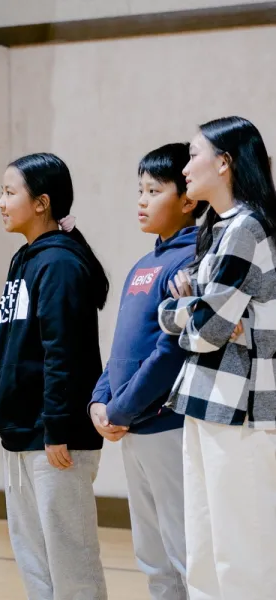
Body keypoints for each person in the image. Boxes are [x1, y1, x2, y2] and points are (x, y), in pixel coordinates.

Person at [158, 116, 276, 600]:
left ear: (224, 163)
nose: (185, 167)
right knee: (204, 550)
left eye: (193, 155)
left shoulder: (248, 228)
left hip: (241, 409)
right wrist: (194, 309)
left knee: (241, 553)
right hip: (205, 401)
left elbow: (206, 330)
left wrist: (192, 311)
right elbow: (180, 316)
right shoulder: (216, 228)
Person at [0, 153, 108, 600]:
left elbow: (63, 353)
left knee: (72, 568)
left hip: (55, 441)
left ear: (42, 203)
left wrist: (57, 428)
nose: (1, 202)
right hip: (22, 436)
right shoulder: (25, 259)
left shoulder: (59, 264)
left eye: (9, 192)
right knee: (36, 566)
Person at [90, 143, 207, 600]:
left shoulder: (192, 259)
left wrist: (120, 409)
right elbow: (122, 347)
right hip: (131, 425)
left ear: (188, 199)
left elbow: (169, 351)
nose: (142, 200)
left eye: (154, 191)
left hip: (165, 425)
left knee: (184, 554)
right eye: (140, 190)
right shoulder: (144, 263)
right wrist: (100, 400)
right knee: (153, 558)